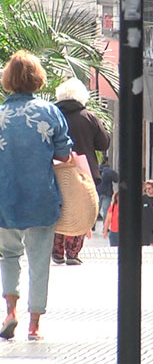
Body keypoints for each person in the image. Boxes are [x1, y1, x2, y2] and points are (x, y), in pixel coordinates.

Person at [0, 50, 73, 340]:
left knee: (8, 255)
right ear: (37, 78)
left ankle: (10, 312)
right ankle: (34, 326)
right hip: (41, 197)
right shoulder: (50, 112)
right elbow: (64, 152)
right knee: (39, 260)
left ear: (8, 79)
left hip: (5, 198)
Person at [51, 78, 111, 265]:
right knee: (82, 208)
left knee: (59, 209)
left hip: (55, 169)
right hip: (84, 172)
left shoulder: (52, 115)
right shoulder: (88, 116)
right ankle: (73, 252)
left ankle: (57, 251)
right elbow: (103, 143)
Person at [97, 156, 119, 223]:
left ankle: (92, 226)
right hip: (107, 193)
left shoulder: (97, 170)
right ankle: (105, 226)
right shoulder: (109, 171)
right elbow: (116, 179)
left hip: (98, 192)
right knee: (106, 210)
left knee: (96, 209)